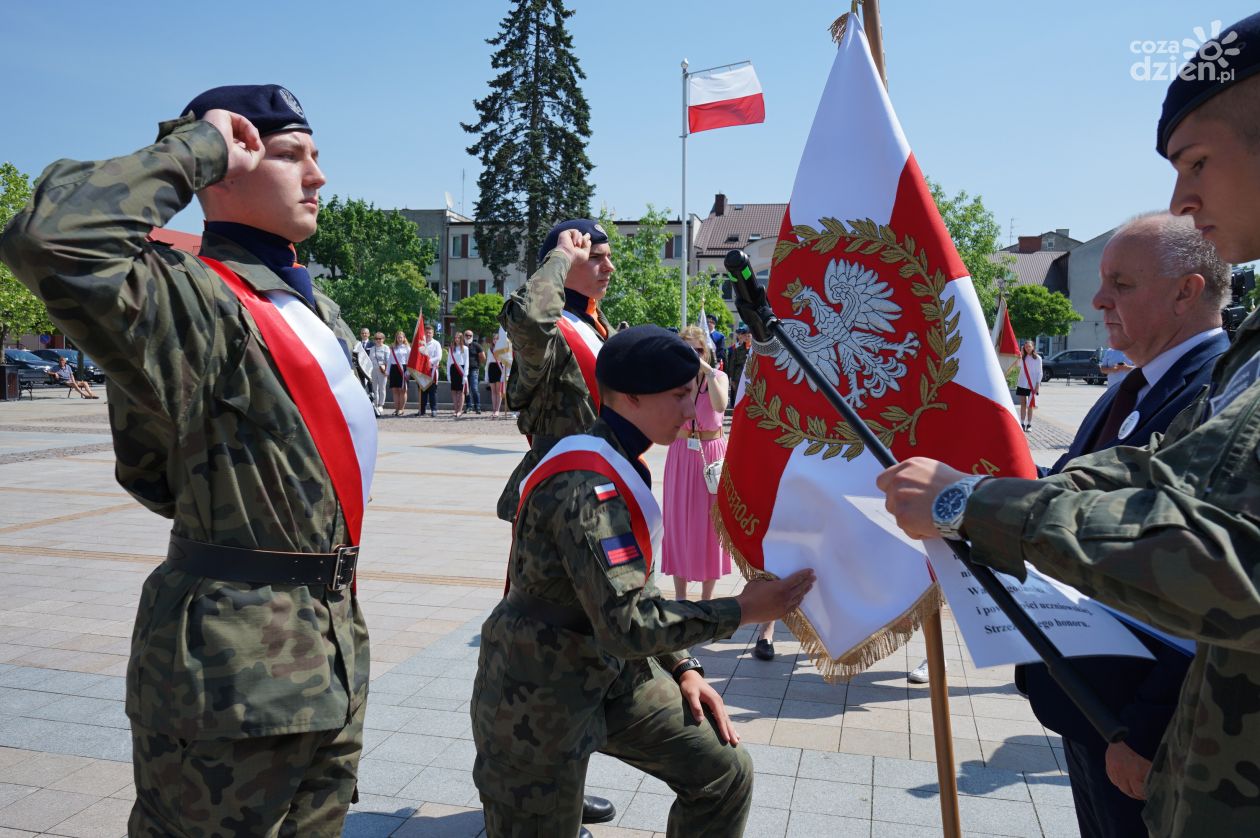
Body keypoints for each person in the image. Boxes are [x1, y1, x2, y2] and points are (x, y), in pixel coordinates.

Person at [877, 16, 1260, 833]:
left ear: (1188, 294)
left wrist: (966, 505)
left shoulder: (1222, 377)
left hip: (1159, 733)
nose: (1185, 198)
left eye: (1197, 161)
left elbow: (1209, 550)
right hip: (1138, 731)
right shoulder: (1178, 379)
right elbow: (1135, 485)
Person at [0, 84, 376, 835]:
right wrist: (194, 147)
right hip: (229, 668)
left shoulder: (315, 309)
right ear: (227, 168)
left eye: (318, 157)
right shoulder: (193, 295)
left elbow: (153, 467)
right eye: (290, 156)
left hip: (327, 647)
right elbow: (52, 238)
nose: (318, 177)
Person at [471, 325, 816, 838]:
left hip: (612, 672)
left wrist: (685, 668)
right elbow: (629, 623)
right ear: (630, 396)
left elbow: (635, 587)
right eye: (678, 395)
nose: (690, 409)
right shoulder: (587, 483)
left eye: (692, 393)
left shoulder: (618, 460)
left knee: (723, 772)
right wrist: (741, 610)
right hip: (536, 688)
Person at [1016, 212, 1229, 838]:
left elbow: (1208, 576)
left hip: (1145, 723)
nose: (1097, 299)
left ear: (1186, 292)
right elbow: (1069, 488)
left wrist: (1146, 725)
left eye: (1122, 284)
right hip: (1093, 701)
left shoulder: (1219, 396)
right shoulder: (1130, 386)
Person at [497, 219, 614, 523]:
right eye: (596, 257)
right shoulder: (554, 330)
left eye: (609, 257)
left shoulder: (596, 324)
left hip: (601, 485)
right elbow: (531, 319)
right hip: (560, 499)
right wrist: (561, 253)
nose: (609, 267)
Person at [662, 325, 731, 602]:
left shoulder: (719, 376)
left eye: (698, 349)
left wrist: (706, 369)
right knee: (678, 522)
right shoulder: (673, 382)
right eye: (686, 350)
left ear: (708, 352)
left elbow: (719, 405)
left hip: (711, 454)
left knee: (710, 526)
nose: (693, 354)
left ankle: (706, 600)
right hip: (681, 453)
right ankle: (680, 599)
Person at [1016, 340, 1041, 430]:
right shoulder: (1022, 357)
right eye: (1026, 347)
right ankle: (1022, 423)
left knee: (1030, 405)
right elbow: (1018, 366)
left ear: (1033, 347)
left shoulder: (1038, 358)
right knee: (1023, 404)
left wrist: (1037, 384)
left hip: (1032, 384)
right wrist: (1020, 357)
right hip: (1022, 383)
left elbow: (1039, 372)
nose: (1027, 348)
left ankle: (1029, 424)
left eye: (1029, 346)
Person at [417, 324, 442, 416]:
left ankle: (433, 410)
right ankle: (421, 410)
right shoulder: (420, 343)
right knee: (422, 391)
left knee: (432, 391)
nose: (428, 334)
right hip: (421, 370)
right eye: (426, 332)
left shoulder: (436, 344)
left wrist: (428, 361)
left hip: (432, 370)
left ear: (433, 333)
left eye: (430, 333)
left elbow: (439, 357)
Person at [386, 330, 410, 416]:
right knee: (395, 390)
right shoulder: (392, 347)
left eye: (401, 337)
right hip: (394, 368)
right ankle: (396, 409)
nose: (400, 339)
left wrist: (408, 371)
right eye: (398, 337)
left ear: (404, 338)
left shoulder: (407, 348)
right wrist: (387, 371)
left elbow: (409, 361)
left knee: (403, 390)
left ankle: (401, 409)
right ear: (396, 338)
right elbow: (389, 360)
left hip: (403, 369)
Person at [726, 325, 751, 405]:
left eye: (748, 335)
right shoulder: (737, 350)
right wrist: (732, 380)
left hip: (751, 378)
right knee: (738, 399)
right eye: (745, 336)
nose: (746, 337)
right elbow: (732, 366)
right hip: (738, 378)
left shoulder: (755, 351)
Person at [488, 334, 511, 417]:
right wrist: (486, 375)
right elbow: (488, 361)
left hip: (500, 368)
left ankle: (497, 410)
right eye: (494, 339)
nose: (495, 340)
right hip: (491, 368)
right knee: (493, 391)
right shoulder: (490, 349)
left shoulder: (503, 349)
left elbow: (506, 361)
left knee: (499, 391)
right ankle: (494, 409)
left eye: (497, 339)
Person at [448, 330, 469, 417]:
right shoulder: (451, 348)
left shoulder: (465, 348)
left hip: (461, 370)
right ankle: (455, 409)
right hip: (453, 370)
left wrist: (465, 375)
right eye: (455, 337)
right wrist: (448, 374)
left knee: (460, 391)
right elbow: (449, 362)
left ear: (461, 339)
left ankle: (459, 410)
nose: (456, 339)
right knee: (454, 391)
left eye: (458, 338)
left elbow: (467, 362)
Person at [369, 332, 390, 416]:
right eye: (376, 338)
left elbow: (388, 360)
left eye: (380, 338)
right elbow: (370, 360)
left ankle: (381, 405)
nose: (378, 340)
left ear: (383, 339)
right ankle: (376, 404)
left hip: (382, 370)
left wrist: (387, 371)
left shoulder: (386, 348)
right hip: (373, 370)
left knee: (382, 388)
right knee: (375, 388)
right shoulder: (372, 348)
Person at [464, 329, 485, 414]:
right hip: (464, 370)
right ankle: (469, 406)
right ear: (464, 336)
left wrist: (477, 365)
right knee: (466, 389)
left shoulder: (476, 345)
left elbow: (483, 357)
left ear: (472, 337)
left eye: (470, 335)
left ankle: (477, 406)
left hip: (473, 370)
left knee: (474, 388)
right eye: (467, 335)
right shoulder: (462, 346)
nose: (468, 337)